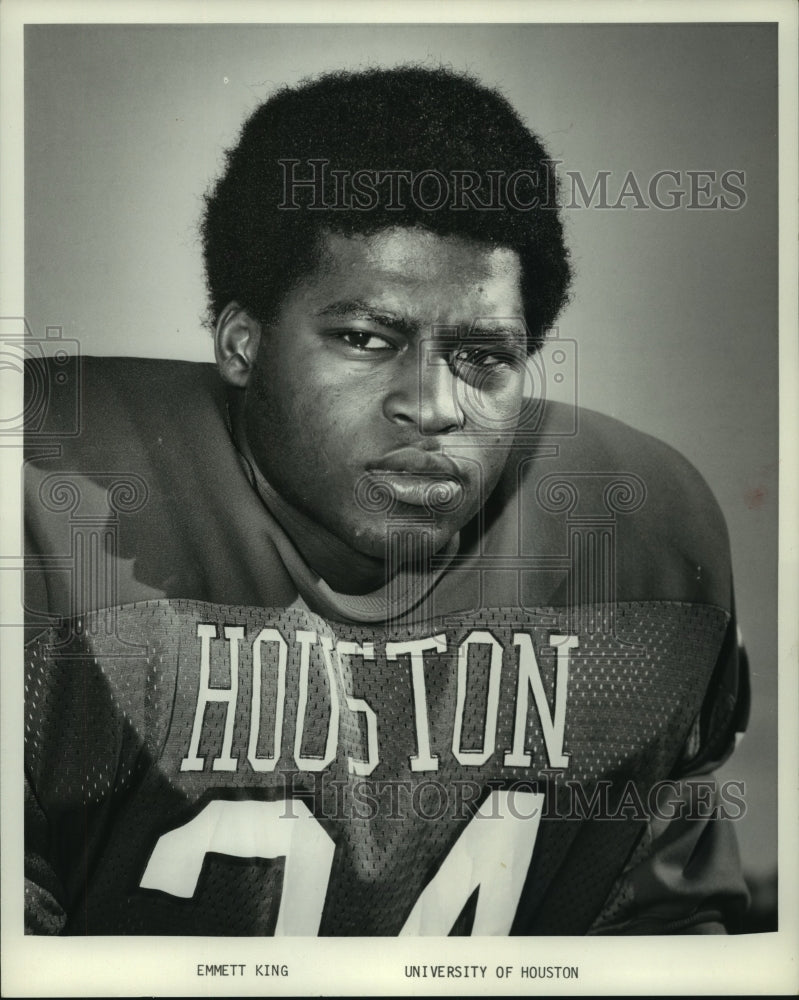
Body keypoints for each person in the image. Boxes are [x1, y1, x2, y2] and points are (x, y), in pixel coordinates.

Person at [23, 66, 749, 936]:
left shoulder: (638, 536)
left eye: (483, 356)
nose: (435, 406)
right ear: (240, 341)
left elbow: (669, 939)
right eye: (367, 340)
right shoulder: (43, 501)